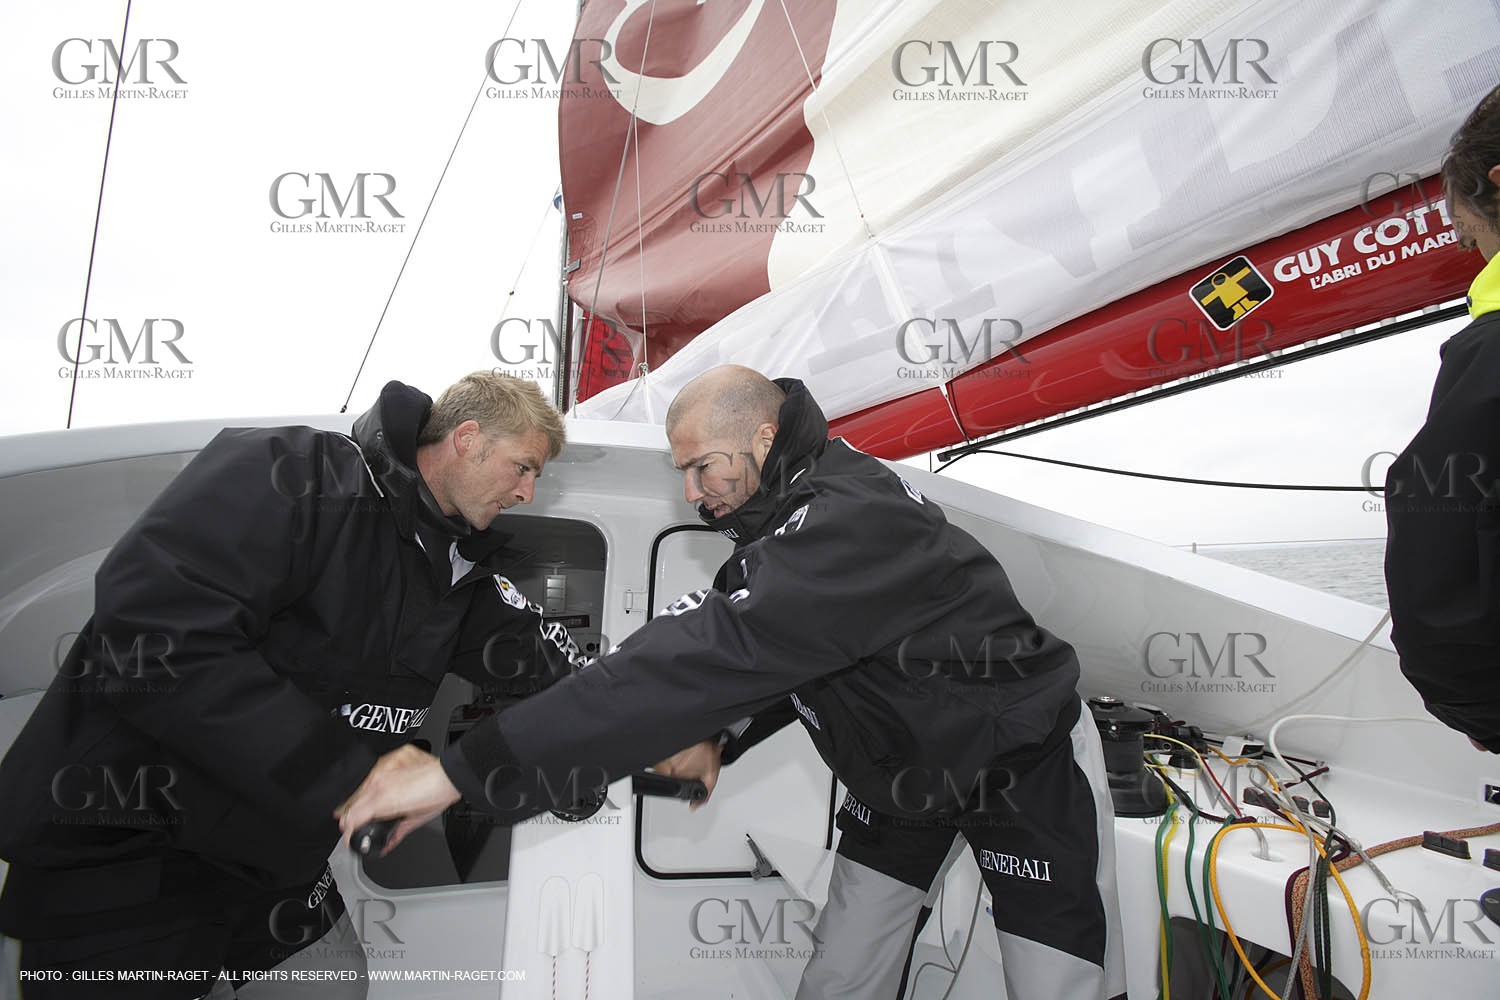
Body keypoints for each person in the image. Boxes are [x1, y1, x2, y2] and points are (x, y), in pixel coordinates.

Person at [338, 365, 1127, 999]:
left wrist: (458, 772)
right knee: (842, 974)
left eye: (700, 467)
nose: (691, 492)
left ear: (762, 434)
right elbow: (781, 654)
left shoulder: (848, 522)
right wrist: (717, 732)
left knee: (1055, 982)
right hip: (901, 779)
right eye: (684, 471)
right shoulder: (777, 527)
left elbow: (699, 659)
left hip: (1019, 763)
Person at [0, 372, 586, 998]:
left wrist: (624, 737)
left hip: (273, 862)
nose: (526, 493)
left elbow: (548, 661)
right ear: (467, 438)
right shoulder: (297, 474)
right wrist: (347, 775)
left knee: (335, 987)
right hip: (128, 855)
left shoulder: (458, 564)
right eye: (523, 468)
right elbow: (156, 635)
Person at [1385, 83, 1500, 755]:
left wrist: (1484, 720)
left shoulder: (1489, 359)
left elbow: (1442, 585)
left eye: (1472, 238)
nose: (1476, 260)